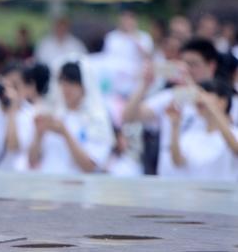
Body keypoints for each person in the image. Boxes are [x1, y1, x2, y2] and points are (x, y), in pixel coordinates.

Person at [122, 38, 219, 177]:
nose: (188, 69)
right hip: (169, 179)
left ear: (211, 66)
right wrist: (144, 84)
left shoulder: (223, 96)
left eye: (193, 64)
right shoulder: (171, 96)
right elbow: (129, 117)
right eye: (184, 64)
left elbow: (207, 104)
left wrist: (189, 83)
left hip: (204, 181)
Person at [28, 60, 114, 175]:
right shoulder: (54, 115)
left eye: (72, 83)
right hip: (48, 186)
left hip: (79, 189)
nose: (66, 88)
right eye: (63, 82)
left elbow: (89, 166)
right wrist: (38, 133)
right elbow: (32, 160)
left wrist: (65, 133)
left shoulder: (97, 119)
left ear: (84, 85)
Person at [165, 80, 238, 181]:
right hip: (195, 195)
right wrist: (175, 125)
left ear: (222, 101)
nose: (200, 98)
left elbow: (235, 148)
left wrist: (211, 106)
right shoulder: (192, 135)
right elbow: (178, 161)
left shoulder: (234, 132)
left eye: (207, 93)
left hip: (225, 195)